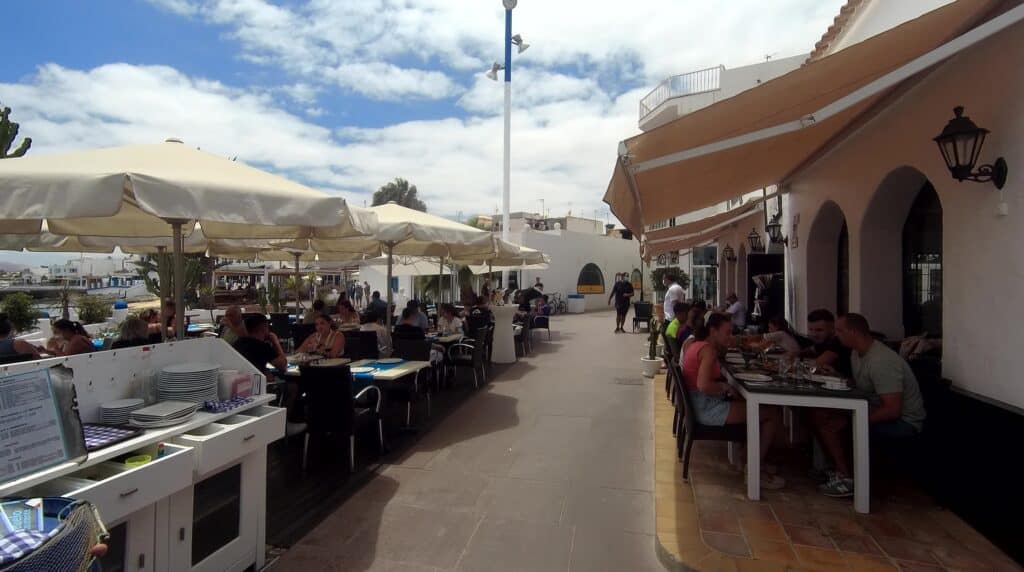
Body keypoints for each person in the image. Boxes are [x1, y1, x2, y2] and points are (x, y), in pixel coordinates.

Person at [809, 313, 927, 498]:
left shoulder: (882, 360)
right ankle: (839, 471)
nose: (837, 335)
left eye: (840, 331)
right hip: (871, 407)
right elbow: (864, 387)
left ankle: (847, 479)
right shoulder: (857, 353)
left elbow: (892, 409)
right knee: (819, 415)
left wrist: (854, 421)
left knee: (832, 424)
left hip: (904, 422)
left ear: (854, 332)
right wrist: (838, 377)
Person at [681, 312, 785, 488]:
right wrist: (725, 388)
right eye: (727, 332)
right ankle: (754, 468)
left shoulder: (698, 345)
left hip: (698, 405)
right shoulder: (707, 351)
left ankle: (747, 457)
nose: (730, 337)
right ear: (713, 331)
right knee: (770, 414)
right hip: (707, 409)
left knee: (750, 405)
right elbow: (704, 385)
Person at [801, 309, 852, 378]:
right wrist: (793, 354)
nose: (814, 334)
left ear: (832, 329)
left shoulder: (838, 342)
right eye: (811, 329)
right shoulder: (823, 342)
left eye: (819, 330)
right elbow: (807, 351)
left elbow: (816, 366)